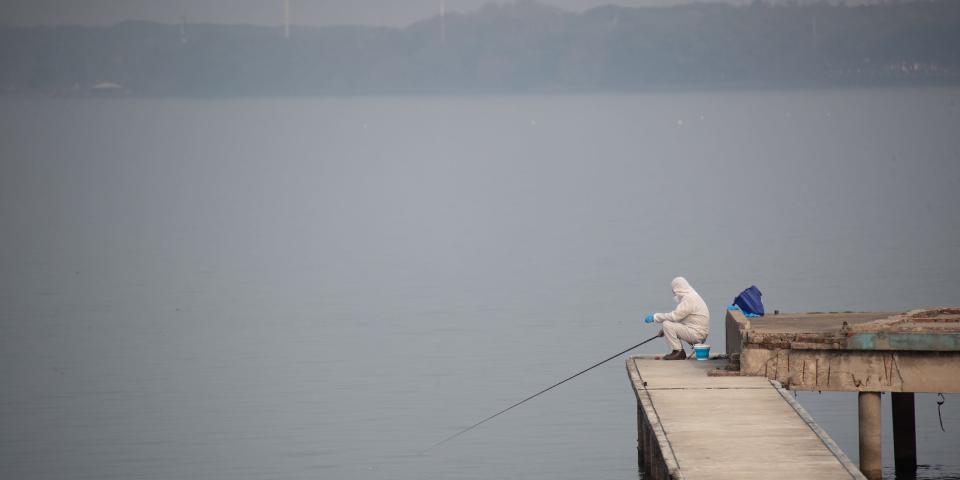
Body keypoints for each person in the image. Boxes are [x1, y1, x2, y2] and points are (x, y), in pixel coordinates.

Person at [644, 277, 709, 360]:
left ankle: (678, 352)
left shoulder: (689, 299)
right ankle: (677, 351)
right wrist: (664, 331)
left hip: (697, 334)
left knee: (666, 324)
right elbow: (681, 318)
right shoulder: (692, 295)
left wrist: (655, 317)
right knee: (667, 325)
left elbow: (674, 317)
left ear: (678, 288)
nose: (673, 292)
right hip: (698, 332)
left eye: (673, 289)